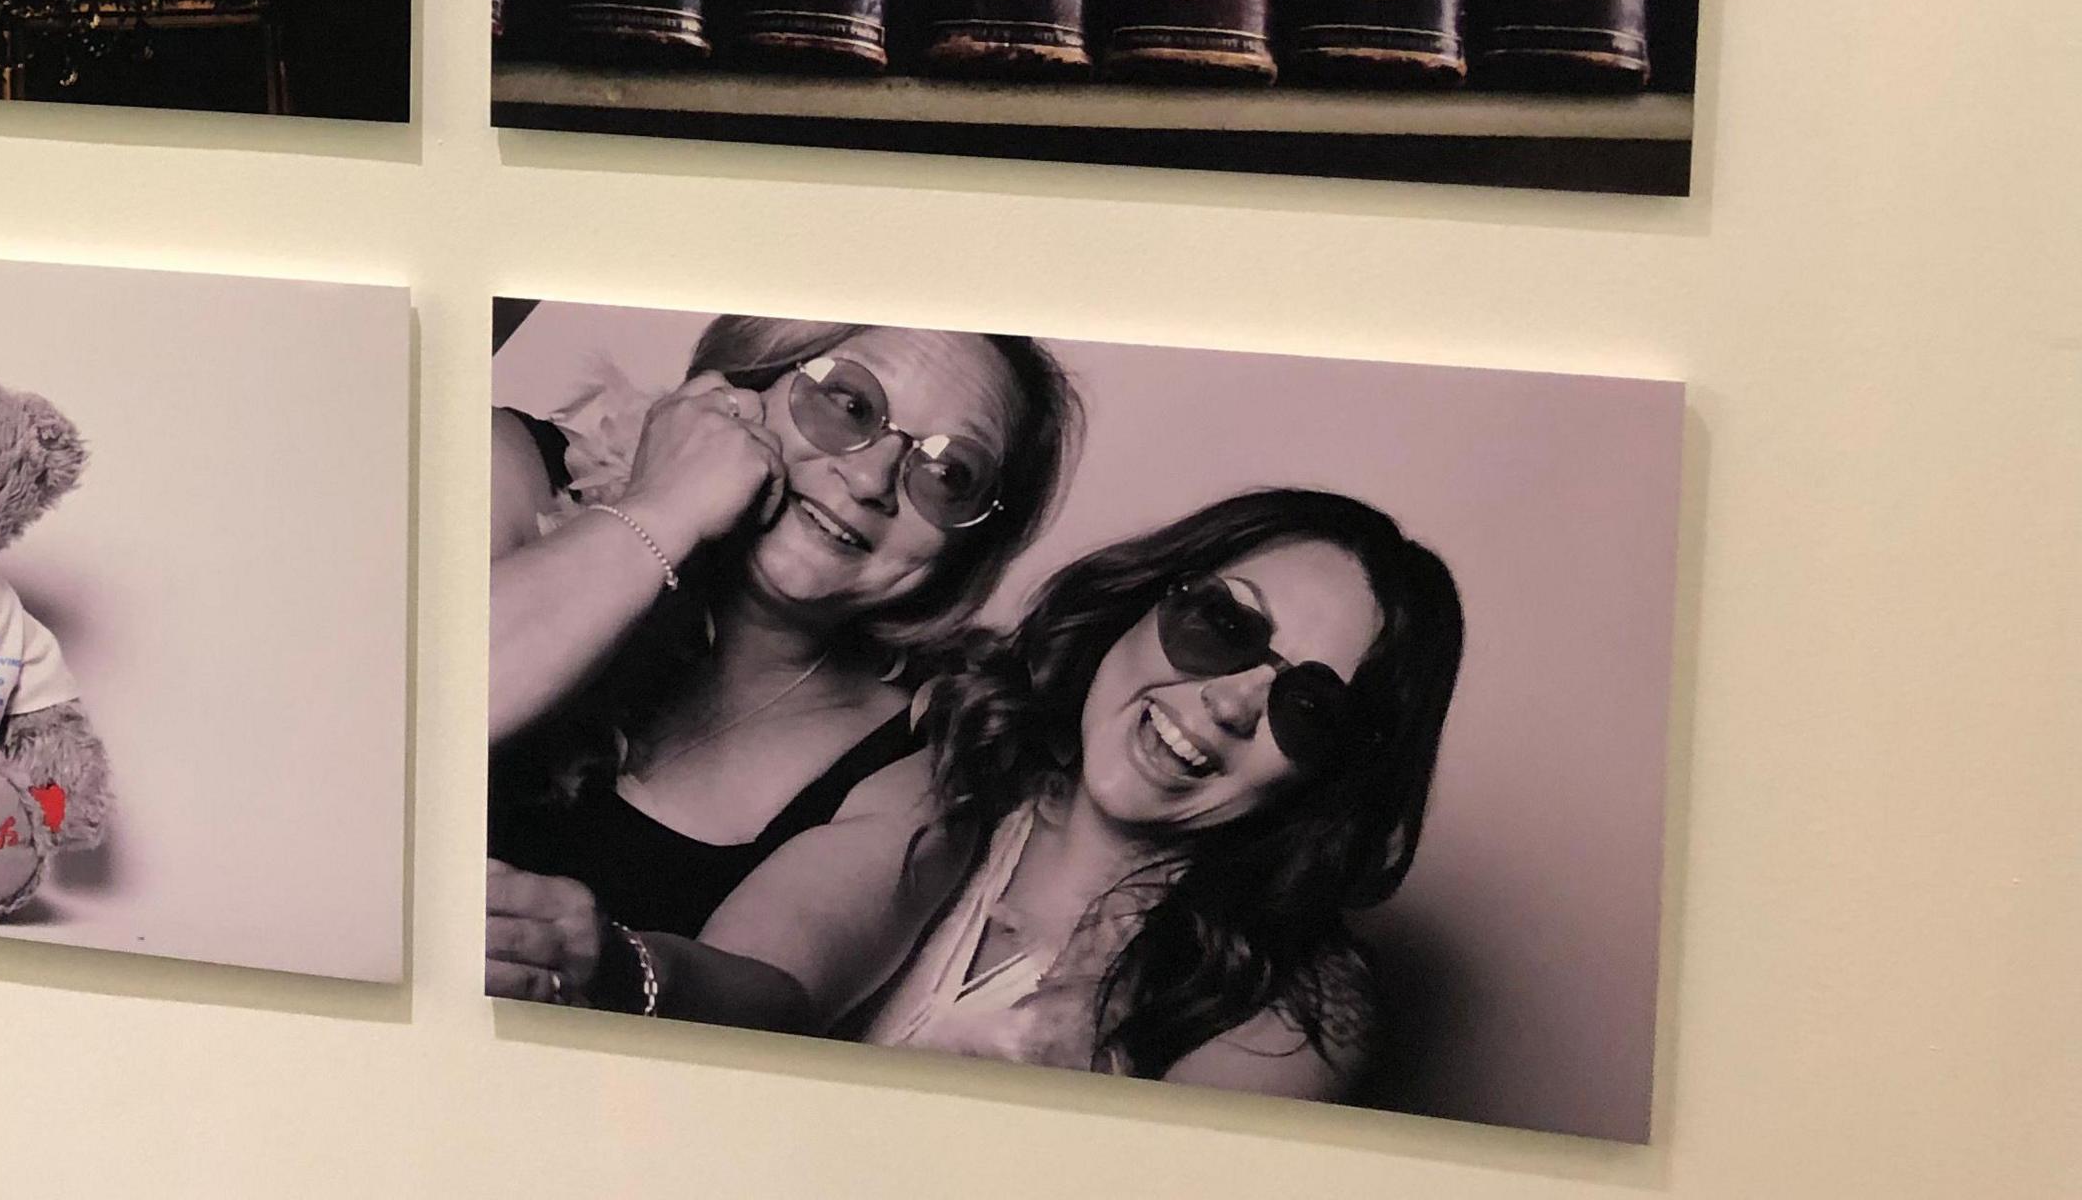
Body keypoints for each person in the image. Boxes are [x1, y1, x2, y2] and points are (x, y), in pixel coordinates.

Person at [482, 314, 1080, 1028]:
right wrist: (663, 511)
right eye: (850, 404)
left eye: (950, 475)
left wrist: (613, 967)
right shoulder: (512, 465)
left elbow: (774, 998)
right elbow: (398, 717)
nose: (870, 479)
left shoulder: (909, 773)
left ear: (968, 548)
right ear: (745, 385)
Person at [827, 489, 1467, 1097]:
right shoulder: (942, 763)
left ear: (1336, 773)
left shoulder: (1296, 1016)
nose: (1230, 703)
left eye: (1310, 708)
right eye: (1223, 622)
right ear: (1140, 600)